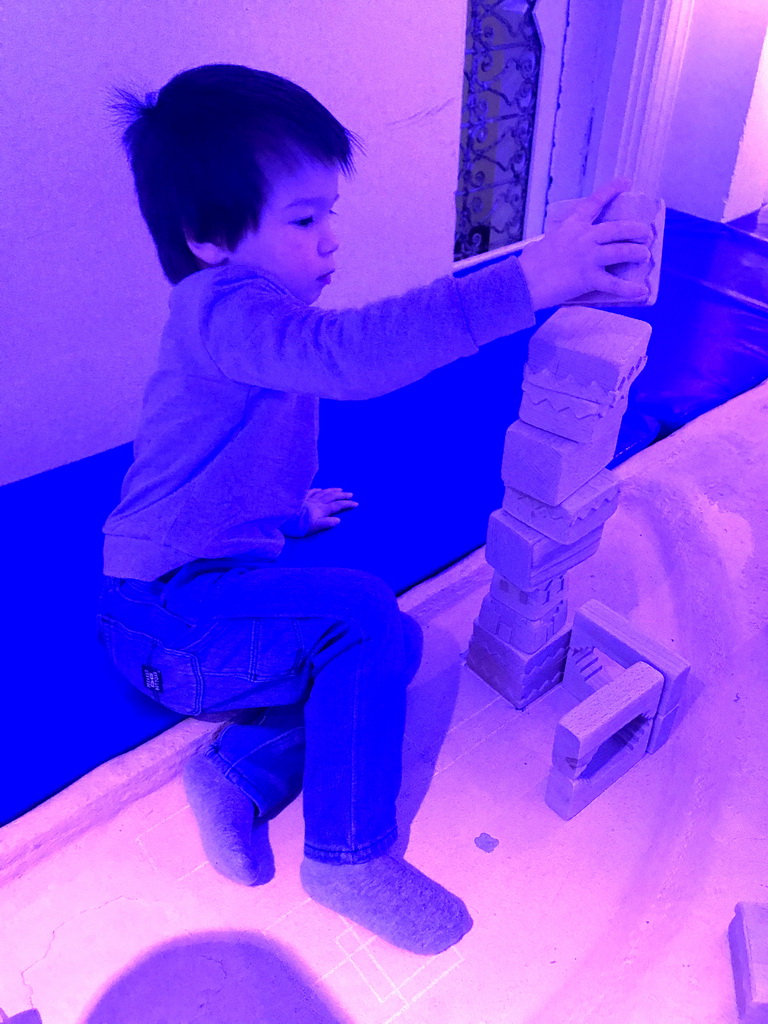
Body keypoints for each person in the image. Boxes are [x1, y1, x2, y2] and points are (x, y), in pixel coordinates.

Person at [97, 63, 653, 956]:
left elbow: (211, 466)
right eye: (304, 220)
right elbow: (347, 358)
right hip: (163, 619)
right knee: (359, 612)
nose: (329, 243)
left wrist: (285, 511)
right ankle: (346, 857)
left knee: (390, 641)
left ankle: (236, 771)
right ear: (208, 237)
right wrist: (530, 278)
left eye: (330, 215)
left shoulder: (245, 315)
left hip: (199, 601)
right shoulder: (223, 309)